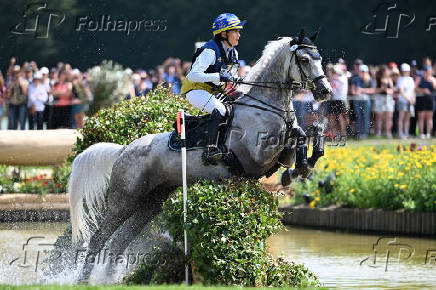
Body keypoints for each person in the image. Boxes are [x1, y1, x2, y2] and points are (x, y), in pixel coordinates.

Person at [180, 13, 246, 163]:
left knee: (237, 108)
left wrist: (237, 81)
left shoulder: (234, 53)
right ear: (224, 33)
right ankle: (210, 149)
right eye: (235, 31)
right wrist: (218, 77)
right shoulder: (210, 51)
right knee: (221, 110)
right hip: (195, 90)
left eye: (238, 31)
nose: (238, 35)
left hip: (214, 92)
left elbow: (230, 77)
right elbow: (193, 76)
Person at [350, 64, 374, 139]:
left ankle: (365, 133)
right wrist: (357, 92)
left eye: (364, 71)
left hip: (366, 101)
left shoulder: (369, 80)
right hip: (357, 100)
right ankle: (360, 133)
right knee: (359, 117)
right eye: (361, 71)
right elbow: (353, 91)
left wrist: (362, 90)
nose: (363, 73)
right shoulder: (355, 79)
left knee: (366, 117)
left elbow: (372, 90)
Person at [373, 65, 394, 137]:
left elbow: (392, 90)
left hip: (388, 99)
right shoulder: (378, 79)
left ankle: (388, 132)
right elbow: (375, 90)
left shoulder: (389, 79)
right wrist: (382, 89)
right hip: (380, 98)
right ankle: (378, 132)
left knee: (389, 116)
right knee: (379, 117)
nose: (386, 72)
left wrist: (387, 90)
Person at [415, 66, 436, 138]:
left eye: (429, 71)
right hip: (421, 100)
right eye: (426, 71)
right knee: (421, 117)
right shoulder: (420, 79)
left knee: (429, 118)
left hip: (430, 100)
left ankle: (428, 134)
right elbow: (415, 88)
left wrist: (433, 82)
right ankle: (421, 134)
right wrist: (423, 90)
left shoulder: (433, 79)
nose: (427, 73)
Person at [6, 65, 28, 130]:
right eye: (15, 72)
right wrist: (10, 87)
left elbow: (25, 93)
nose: (16, 74)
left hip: (22, 105)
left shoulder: (24, 81)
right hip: (13, 104)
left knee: (22, 124)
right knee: (12, 124)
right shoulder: (10, 82)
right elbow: (8, 96)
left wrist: (20, 83)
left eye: (17, 72)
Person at [396, 63, 415, 138]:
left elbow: (413, 90)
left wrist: (413, 99)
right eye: (404, 71)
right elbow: (401, 91)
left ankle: (406, 132)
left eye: (407, 71)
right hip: (402, 101)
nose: (405, 72)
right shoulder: (400, 79)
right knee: (401, 117)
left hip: (410, 101)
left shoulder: (410, 79)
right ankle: (400, 133)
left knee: (407, 118)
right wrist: (408, 99)